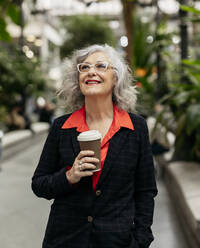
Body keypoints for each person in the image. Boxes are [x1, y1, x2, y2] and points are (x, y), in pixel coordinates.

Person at [32, 44, 158, 248]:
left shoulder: (136, 127)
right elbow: (39, 184)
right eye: (84, 67)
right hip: (65, 239)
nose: (91, 71)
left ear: (115, 77)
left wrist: (141, 241)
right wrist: (69, 176)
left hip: (117, 241)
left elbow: (145, 191)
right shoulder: (61, 127)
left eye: (101, 66)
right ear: (78, 79)